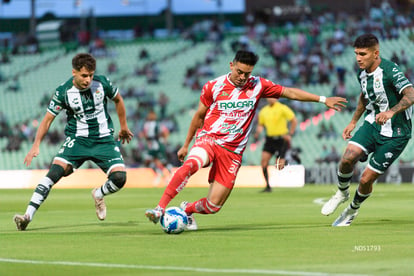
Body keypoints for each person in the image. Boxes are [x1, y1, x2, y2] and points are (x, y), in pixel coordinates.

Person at [144, 50, 347, 230]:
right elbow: (199, 115)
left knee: (214, 205)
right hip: (210, 139)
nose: (242, 77)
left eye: (247, 73)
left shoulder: (259, 85)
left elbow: (290, 92)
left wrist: (322, 99)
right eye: (239, 72)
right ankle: (159, 208)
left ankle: (186, 210)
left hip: (232, 152)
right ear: (231, 65)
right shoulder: (212, 86)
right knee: (192, 163)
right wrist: (186, 144)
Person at [13, 53, 134, 231]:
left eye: (91, 75)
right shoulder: (63, 92)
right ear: (74, 73)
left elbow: (118, 99)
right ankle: (26, 217)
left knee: (119, 178)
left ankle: (98, 194)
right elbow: (47, 120)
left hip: (103, 140)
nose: (88, 80)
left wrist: (123, 126)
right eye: (84, 75)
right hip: (77, 141)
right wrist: (36, 144)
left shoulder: (102, 83)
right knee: (54, 173)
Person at [321, 33, 414, 227]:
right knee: (348, 157)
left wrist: (391, 112)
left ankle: (352, 209)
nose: (358, 58)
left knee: (365, 180)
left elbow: (411, 93)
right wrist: (353, 121)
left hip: (396, 133)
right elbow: (365, 96)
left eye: (363, 54)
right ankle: (341, 192)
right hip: (373, 123)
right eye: (356, 54)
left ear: (375, 53)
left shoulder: (390, 70)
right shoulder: (361, 73)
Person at [254, 98, 297, 192]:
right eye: (269, 97)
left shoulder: (282, 108)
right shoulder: (263, 111)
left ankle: (289, 157)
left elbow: (293, 120)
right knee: (264, 162)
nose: (270, 99)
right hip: (270, 139)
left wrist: (290, 134)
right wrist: (258, 132)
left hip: (282, 139)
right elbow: (261, 124)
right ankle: (268, 186)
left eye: (273, 96)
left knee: (279, 166)